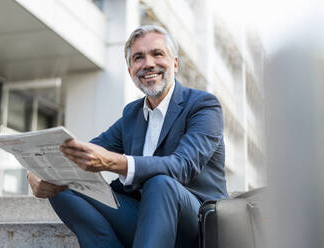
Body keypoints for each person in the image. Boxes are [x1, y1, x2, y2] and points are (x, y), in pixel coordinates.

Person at [27, 25, 227, 248]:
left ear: (175, 64)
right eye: (138, 57)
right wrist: (40, 171)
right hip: (143, 219)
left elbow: (182, 166)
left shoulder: (203, 106)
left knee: (161, 183)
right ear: (131, 69)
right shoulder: (132, 114)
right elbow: (83, 154)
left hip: (196, 225)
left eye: (157, 54)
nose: (148, 63)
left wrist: (117, 163)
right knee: (61, 189)